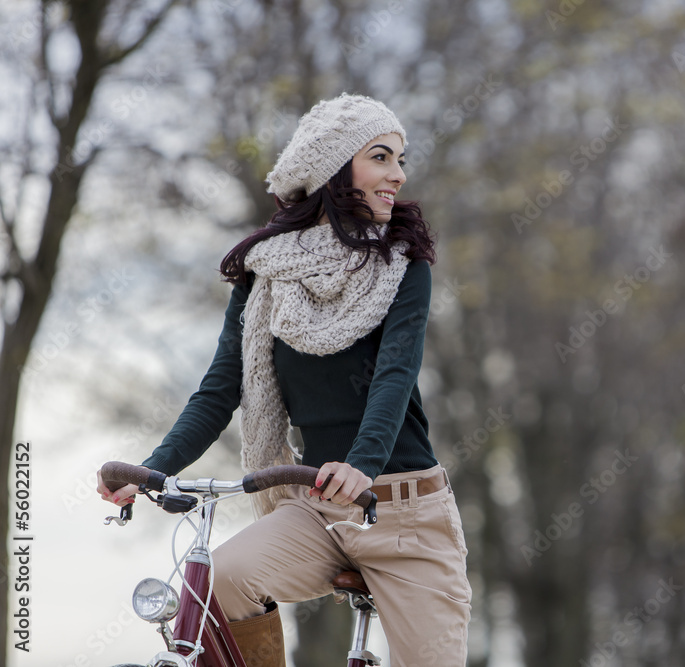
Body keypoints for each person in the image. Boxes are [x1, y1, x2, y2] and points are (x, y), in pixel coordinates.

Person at [97, 93, 472, 667]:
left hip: (405, 517)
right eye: (381, 157)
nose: (398, 174)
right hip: (319, 512)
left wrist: (362, 463)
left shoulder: (403, 262)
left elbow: (394, 375)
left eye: (400, 159)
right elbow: (222, 387)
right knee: (219, 580)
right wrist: (158, 466)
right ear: (333, 169)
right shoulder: (264, 273)